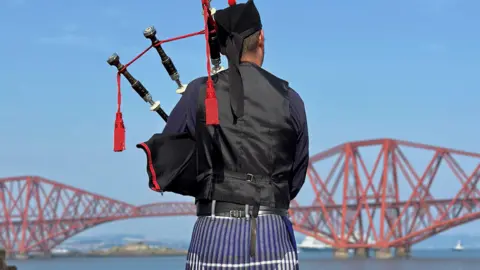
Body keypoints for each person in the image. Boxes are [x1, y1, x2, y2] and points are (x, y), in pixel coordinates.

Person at [163, 1, 309, 269]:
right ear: (261, 38)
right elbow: (295, 180)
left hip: (212, 237)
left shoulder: (198, 92)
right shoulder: (291, 99)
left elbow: (168, 163)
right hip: (271, 235)